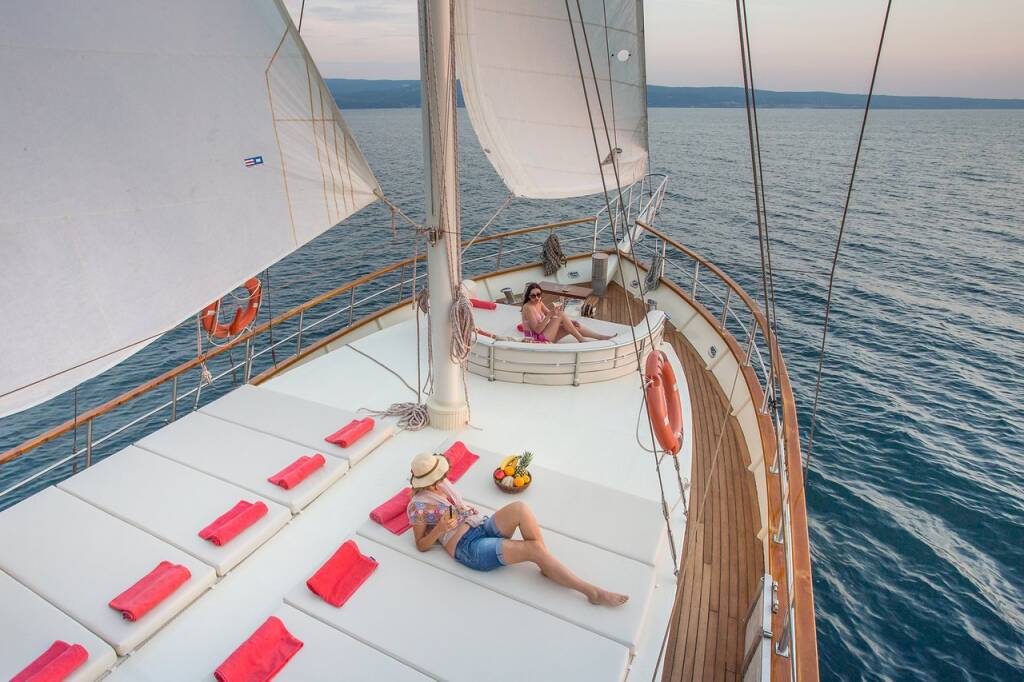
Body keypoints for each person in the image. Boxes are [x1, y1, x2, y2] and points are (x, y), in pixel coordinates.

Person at [407, 452, 629, 607]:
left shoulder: (443, 484)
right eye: (438, 476)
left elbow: (457, 506)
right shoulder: (418, 507)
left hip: (480, 525)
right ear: (427, 483)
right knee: (534, 549)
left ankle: (547, 566)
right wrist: (439, 529)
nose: (444, 478)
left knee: (520, 508)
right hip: (468, 547)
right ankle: (591, 592)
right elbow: (421, 545)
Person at [520, 282, 615, 343]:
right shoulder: (527, 308)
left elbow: (553, 316)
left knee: (574, 326)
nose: (537, 298)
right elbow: (537, 330)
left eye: (538, 294)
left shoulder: (539, 302)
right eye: (533, 296)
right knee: (561, 314)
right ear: (528, 296)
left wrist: (569, 322)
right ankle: (581, 340)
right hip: (537, 339)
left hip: (546, 333)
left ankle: (601, 337)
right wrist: (549, 316)